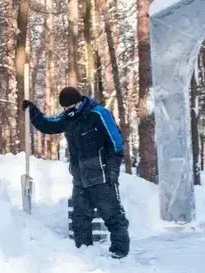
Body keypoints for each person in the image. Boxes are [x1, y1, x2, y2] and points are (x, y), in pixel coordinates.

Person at [23, 86, 131, 259]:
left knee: (112, 215)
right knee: (80, 218)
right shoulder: (68, 118)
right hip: (80, 178)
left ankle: (120, 251)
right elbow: (49, 125)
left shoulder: (98, 114)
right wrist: (33, 112)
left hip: (102, 176)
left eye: (69, 107)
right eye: (64, 108)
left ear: (78, 102)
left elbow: (116, 143)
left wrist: (112, 170)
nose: (66, 111)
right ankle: (84, 252)